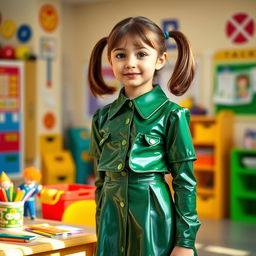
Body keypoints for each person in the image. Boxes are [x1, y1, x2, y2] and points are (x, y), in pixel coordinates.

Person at [88, 16, 201, 256]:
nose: (130, 63)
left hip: (154, 224)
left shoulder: (173, 115)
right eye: (120, 55)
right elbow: (100, 182)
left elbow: (185, 183)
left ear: (160, 60)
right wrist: (101, 231)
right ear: (110, 60)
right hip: (111, 224)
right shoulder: (101, 118)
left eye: (141, 54)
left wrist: (185, 242)